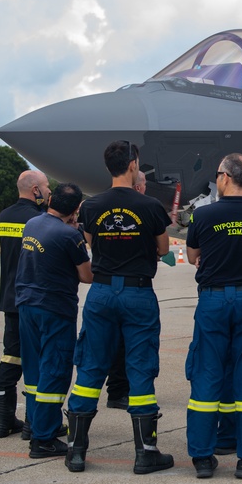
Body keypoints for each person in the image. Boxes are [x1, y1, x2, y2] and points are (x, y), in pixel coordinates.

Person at [66, 140, 173, 474]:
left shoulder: (91, 206)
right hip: (137, 293)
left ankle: (76, 450)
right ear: (132, 165)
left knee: (91, 367)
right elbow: (164, 248)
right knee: (140, 366)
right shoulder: (151, 205)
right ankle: (145, 452)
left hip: (101, 293)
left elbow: (91, 243)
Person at [184, 154, 242, 479]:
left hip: (213, 301)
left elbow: (193, 255)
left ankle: (203, 457)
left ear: (224, 177)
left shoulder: (203, 215)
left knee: (207, 373)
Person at [15, 183, 92, 458]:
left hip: (26, 304)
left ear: (50, 200)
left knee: (34, 370)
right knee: (55, 370)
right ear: (75, 210)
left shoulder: (32, 224)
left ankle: (35, 425)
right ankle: (44, 439)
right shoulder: (69, 236)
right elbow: (87, 276)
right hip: (54, 309)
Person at [0, 170, 48, 440]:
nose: (49, 192)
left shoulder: (4, 216)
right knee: (35, 360)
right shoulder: (38, 219)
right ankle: (33, 424)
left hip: (9, 297)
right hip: (32, 298)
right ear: (36, 190)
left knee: (10, 356)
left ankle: (2, 422)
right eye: (47, 187)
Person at [104, 167, 148, 411]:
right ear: (139, 187)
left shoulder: (97, 205)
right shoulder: (147, 207)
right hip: (134, 287)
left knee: (108, 344)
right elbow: (161, 248)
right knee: (135, 345)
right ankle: (123, 392)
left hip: (104, 288)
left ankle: (116, 390)